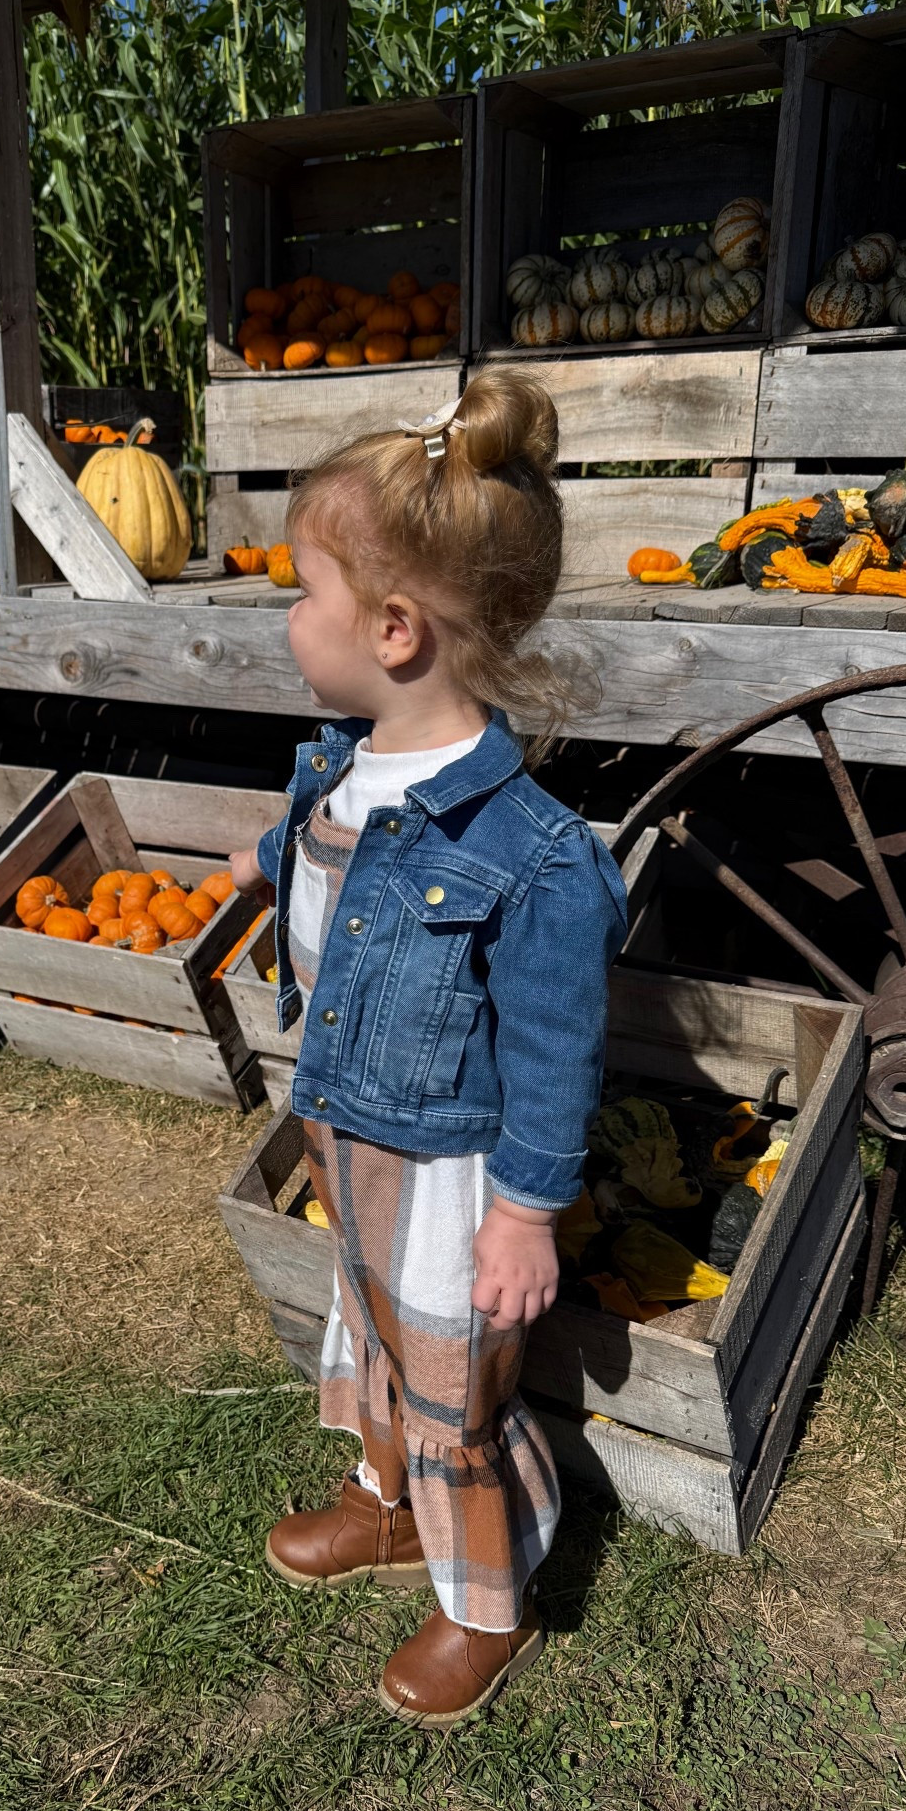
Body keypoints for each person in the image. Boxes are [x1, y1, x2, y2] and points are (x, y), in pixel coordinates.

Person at [229, 370, 627, 1729]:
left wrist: (525, 1213)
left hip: (452, 1167)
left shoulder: (533, 858)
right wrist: (271, 859)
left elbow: (559, 1049)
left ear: (394, 629)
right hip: (350, 1130)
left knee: (458, 1387)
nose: (286, 616)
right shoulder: (344, 766)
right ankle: (386, 1503)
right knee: (378, 1330)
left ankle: (485, 1603)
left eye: (303, 593)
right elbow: (332, 857)